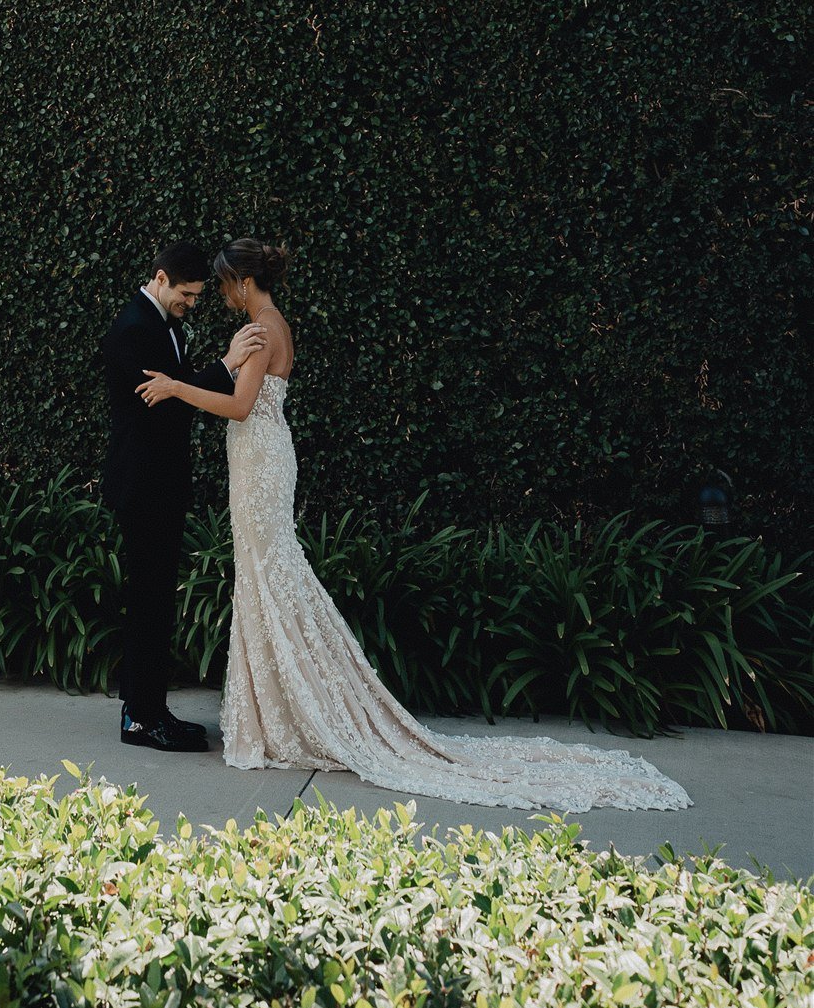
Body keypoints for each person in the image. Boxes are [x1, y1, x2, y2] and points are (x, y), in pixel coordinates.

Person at [136, 236, 692, 813]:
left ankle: (298, 714)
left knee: (271, 574)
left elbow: (240, 405)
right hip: (261, 459)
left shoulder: (260, 330)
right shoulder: (270, 322)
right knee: (266, 574)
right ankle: (283, 710)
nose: (221, 293)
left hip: (260, 460)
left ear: (244, 283)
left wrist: (178, 387)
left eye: (225, 284)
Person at [100, 238, 266, 753]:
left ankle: (147, 709)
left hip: (160, 485)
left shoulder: (162, 323)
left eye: (196, 296)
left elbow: (175, 389)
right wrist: (227, 362)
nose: (192, 303)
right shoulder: (134, 329)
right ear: (161, 278)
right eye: (187, 295)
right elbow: (167, 404)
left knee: (153, 601)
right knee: (148, 603)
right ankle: (142, 719)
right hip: (143, 486)